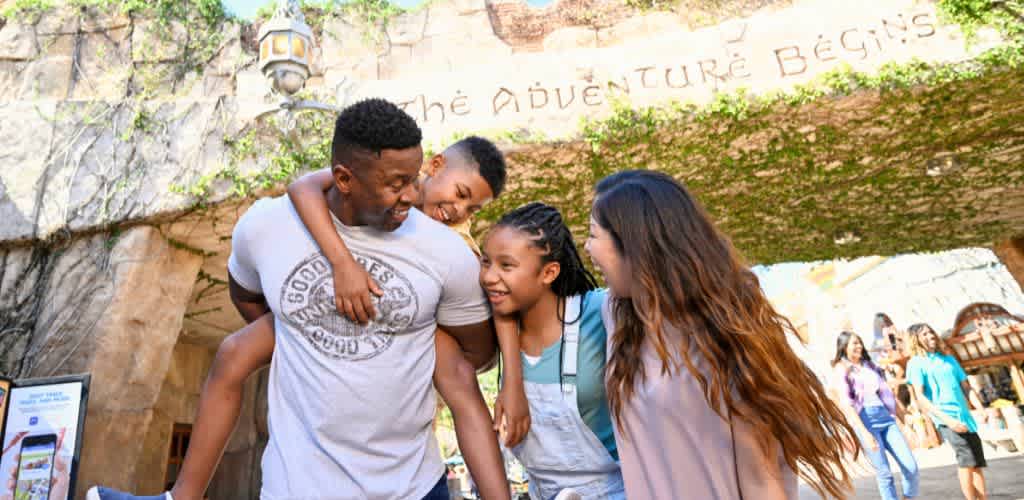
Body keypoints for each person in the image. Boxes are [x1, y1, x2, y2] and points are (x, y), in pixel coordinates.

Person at [89, 99, 500, 500]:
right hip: (296, 485)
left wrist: (422, 337)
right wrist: (301, 326)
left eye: (413, 180)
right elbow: (246, 290)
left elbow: (476, 357)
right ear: (343, 179)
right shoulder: (266, 226)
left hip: (411, 485)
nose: (411, 196)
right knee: (234, 352)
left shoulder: (448, 253)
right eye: (397, 184)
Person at [585, 170, 857, 499]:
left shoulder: (724, 339)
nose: (587, 248)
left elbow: (761, 480)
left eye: (593, 235)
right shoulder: (619, 316)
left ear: (634, 244)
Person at [480, 202, 625, 499]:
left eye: (506, 265)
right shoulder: (493, 322)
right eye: (486, 262)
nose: (489, 277)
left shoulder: (598, 311)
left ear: (549, 273)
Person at [831, 331, 919, 500]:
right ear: (844, 347)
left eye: (859, 342)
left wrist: (905, 422)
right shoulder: (841, 368)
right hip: (865, 420)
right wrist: (864, 432)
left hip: (885, 417)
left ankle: (908, 497)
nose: (859, 346)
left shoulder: (869, 365)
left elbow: (887, 395)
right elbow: (847, 404)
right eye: (854, 343)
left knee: (911, 467)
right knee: (884, 473)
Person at [907, 323, 988, 500]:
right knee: (966, 460)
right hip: (945, 418)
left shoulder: (949, 359)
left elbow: (966, 387)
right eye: (925, 334)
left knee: (977, 462)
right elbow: (921, 397)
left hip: (965, 417)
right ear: (916, 340)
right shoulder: (916, 363)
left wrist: (981, 408)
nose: (931, 336)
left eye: (931, 332)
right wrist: (948, 421)